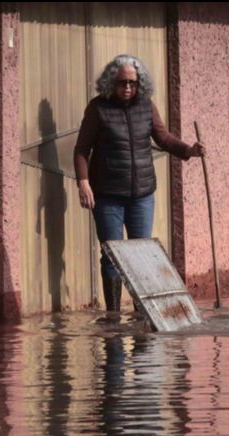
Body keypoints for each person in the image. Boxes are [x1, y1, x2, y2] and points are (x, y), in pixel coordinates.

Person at [74, 54, 205, 313]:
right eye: (122, 82)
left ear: (140, 83)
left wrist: (189, 150)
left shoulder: (146, 106)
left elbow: (164, 138)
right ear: (111, 81)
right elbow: (81, 149)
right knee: (112, 255)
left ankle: (141, 312)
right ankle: (113, 314)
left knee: (139, 254)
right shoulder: (98, 108)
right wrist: (83, 182)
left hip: (142, 194)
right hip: (107, 194)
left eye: (132, 83)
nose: (127, 88)